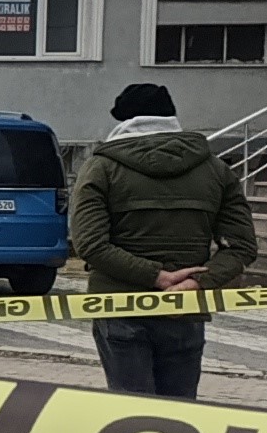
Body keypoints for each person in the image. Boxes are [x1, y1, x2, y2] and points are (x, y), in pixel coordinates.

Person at [65, 80, 253, 401]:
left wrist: (157, 277)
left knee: (132, 409)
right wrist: (197, 284)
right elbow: (242, 246)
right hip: (185, 308)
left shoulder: (101, 168)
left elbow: (90, 244)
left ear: (123, 121)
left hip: (120, 307)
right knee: (179, 412)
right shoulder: (216, 169)